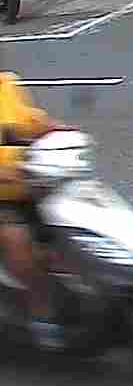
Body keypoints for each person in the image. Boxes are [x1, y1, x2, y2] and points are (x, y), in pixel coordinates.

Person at [0, 72, 68, 349]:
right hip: (4, 199)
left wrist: (58, 130)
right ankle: (42, 316)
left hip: (31, 182)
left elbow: (30, 121)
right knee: (18, 242)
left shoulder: (6, 85)